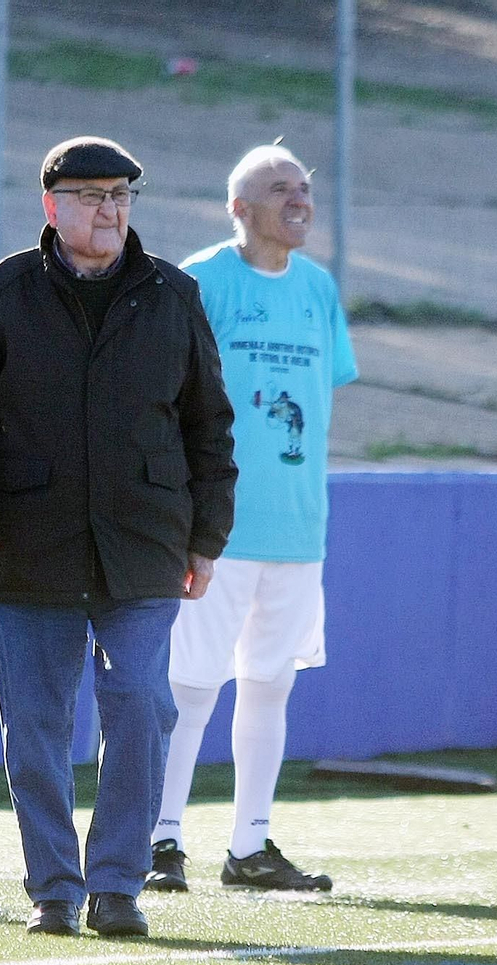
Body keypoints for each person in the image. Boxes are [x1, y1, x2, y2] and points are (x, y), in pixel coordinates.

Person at [0, 136, 237, 937]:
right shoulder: (2, 293)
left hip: (145, 544)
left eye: (121, 195)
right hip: (28, 543)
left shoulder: (173, 294)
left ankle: (119, 884)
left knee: (141, 703)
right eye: (93, 195)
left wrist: (208, 535)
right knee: (35, 726)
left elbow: (209, 427)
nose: (110, 210)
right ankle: (55, 890)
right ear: (51, 205)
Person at [146, 144, 357, 894]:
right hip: (216, 528)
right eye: (279, 189)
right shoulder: (202, 280)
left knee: (270, 684)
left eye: (304, 188)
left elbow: (324, 391)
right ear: (239, 207)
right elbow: (163, 396)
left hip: (298, 530)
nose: (298, 200)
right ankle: (158, 838)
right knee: (189, 686)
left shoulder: (318, 288)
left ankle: (250, 846)